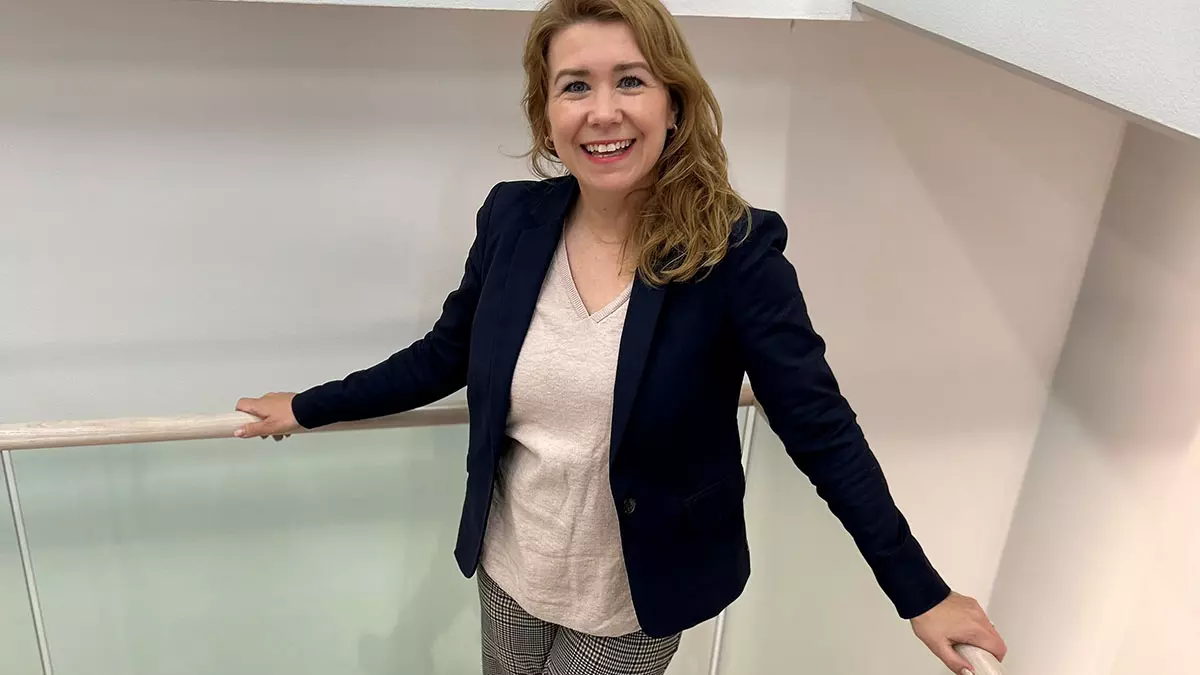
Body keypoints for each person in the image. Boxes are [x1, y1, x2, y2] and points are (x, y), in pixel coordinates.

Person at [234, 0, 1008, 673]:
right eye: (575, 86)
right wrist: (307, 405)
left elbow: (819, 427)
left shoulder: (735, 252)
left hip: (635, 598)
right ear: (546, 113)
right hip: (510, 568)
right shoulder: (512, 220)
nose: (602, 111)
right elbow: (445, 354)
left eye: (630, 80)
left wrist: (921, 591)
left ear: (674, 103)